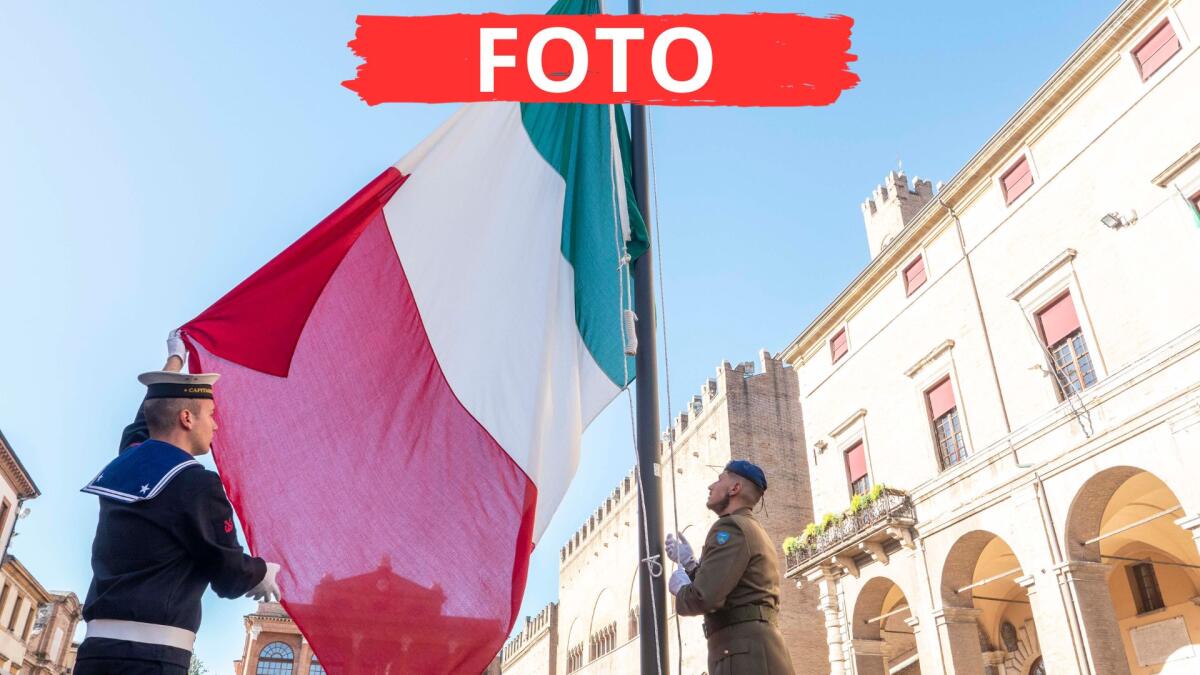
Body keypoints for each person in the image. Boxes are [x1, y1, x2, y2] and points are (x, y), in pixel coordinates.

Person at [76, 331, 281, 675]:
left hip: (95, 653)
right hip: (152, 659)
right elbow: (227, 573)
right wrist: (262, 573)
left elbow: (150, 416)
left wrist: (175, 360)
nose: (216, 426)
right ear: (187, 418)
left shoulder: (130, 458)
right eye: (211, 414)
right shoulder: (196, 483)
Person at [666, 460, 795, 674]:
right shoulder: (750, 527)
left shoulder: (730, 526)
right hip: (753, 651)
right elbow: (730, 588)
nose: (711, 487)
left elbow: (704, 597)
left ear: (734, 488)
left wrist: (681, 590)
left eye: (719, 480)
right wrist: (690, 564)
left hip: (741, 655)